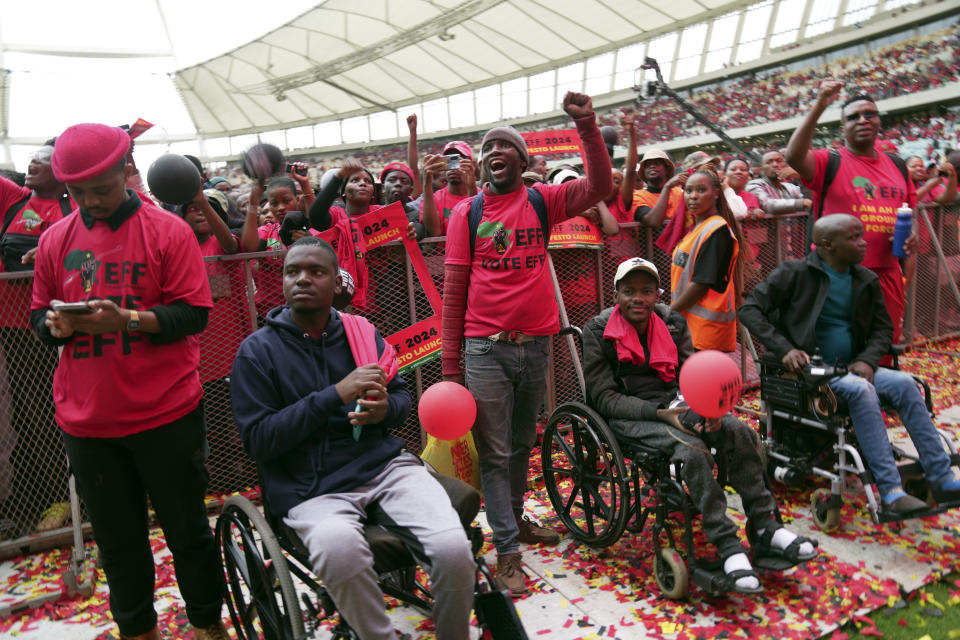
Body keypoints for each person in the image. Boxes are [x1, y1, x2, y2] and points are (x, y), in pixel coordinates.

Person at [30, 123, 227, 640]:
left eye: (102, 189)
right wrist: (55, 326)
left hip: (167, 413)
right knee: (118, 544)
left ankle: (207, 624)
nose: (91, 202)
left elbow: (193, 314)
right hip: (88, 422)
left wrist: (130, 320)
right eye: (78, 193)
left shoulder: (168, 230)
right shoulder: (55, 240)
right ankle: (138, 631)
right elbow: (37, 314)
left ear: (126, 172)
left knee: (187, 533)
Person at [230, 236, 474, 640]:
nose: (302, 280)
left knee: (453, 550)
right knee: (339, 550)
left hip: (383, 466)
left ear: (337, 284)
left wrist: (385, 410)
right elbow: (259, 440)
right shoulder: (256, 353)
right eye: (293, 271)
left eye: (315, 271)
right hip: (309, 486)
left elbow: (400, 399)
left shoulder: (361, 332)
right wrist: (334, 395)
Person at [442, 91, 613, 596]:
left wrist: (587, 126)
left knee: (522, 443)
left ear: (521, 159)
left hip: (536, 347)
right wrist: (450, 368)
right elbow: (454, 293)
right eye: (487, 147)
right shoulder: (465, 215)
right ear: (482, 164)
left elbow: (603, 185)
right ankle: (508, 552)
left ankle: (515, 520)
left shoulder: (543, 200)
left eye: (504, 145)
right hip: (485, 352)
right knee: (495, 453)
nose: (494, 151)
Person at [582, 257, 817, 593]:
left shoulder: (672, 322)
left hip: (678, 400)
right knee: (691, 449)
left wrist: (707, 408)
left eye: (647, 291)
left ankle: (766, 526)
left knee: (740, 432)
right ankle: (727, 545)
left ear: (657, 293)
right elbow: (604, 398)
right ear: (617, 294)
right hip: (630, 415)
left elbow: (692, 373)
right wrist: (662, 413)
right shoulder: (597, 331)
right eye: (629, 291)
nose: (638, 298)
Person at [739, 214, 960, 515]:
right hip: (810, 373)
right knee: (861, 391)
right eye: (855, 237)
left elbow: (883, 330)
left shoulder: (865, 279)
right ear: (828, 244)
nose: (864, 242)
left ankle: (942, 477)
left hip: (853, 366)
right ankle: (891, 491)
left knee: (906, 384)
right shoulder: (795, 273)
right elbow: (750, 310)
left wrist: (868, 361)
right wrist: (785, 349)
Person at [786, 82, 916, 344]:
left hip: (887, 276)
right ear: (842, 128)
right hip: (838, 276)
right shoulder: (828, 161)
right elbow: (793, 156)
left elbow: (910, 213)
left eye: (870, 114)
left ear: (879, 122)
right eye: (853, 117)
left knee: (884, 347)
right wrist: (820, 104)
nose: (863, 120)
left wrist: (912, 235)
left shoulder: (898, 166)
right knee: (840, 351)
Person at [0, 140, 75, 536]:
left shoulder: (74, 208)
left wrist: (48, 253)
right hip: (13, 329)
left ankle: (69, 496)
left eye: (43, 162)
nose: (32, 163)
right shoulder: (14, 199)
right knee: (27, 419)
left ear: (63, 174)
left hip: (58, 327)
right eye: (31, 159)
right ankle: (41, 496)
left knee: (57, 413)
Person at [670, 167, 748, 353]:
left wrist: (670, 312)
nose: (693, 196)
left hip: (706, 334)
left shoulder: (717, 230)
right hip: (690, 328)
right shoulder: (699, 229)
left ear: (715, 194)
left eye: (701, 190)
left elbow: (702, 283)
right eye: (688, 191)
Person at [420, 141, 478, 237]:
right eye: (448, 160)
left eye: (457, 160)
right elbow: (434, 232)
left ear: (472, 165)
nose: (453, 166)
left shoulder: (482, 195)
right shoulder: (433, 199)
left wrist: (471, 186)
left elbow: (478, 226)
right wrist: (426, 184)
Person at [745, 150, 812, 216]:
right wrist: (802, 203)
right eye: (769, 162)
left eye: (779, 161)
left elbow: (811, 201)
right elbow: (768, 205)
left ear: (785, 165)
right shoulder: (753, 185)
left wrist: (800, 178)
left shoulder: (790, 187)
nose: (775, 165)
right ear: (762, 169)